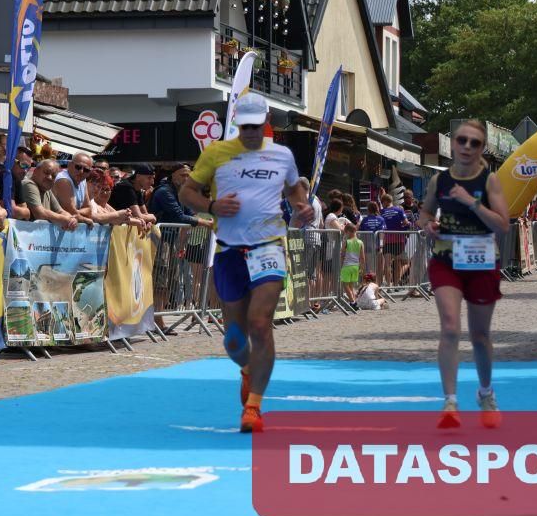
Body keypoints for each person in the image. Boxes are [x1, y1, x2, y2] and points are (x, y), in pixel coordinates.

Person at [178, 92, 312, 433]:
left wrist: (302, 207)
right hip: (228, 251)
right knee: (235, 340)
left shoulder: (282, 155)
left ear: (267, 122)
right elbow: (186, 193)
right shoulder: (216, 153)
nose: (251, 132)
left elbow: (295, 190)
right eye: (246, 126)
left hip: (268, 247)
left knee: (260, 323)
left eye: (257, 126)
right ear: (238, 124)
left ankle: (253, 407)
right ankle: (248, 370)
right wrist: (212, 206)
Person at [418, 119, 510, 429]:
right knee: (450, 327)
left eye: (475, 143)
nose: (467, 147)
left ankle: (486, 393)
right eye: (462, 140)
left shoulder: (489, 180)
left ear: (482, 148)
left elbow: (503, 225)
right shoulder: (439, 180)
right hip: (446, 260)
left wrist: (472, 203)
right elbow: (424, 212)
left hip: (482, 262)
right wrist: (428, 225)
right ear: (453, 144)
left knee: (480, 336)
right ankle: (450, 401)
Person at [21, 159, 79, 230]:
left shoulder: (47, 190)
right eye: (46, 173)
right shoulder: (28, 184)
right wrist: (65, 219)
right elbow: (40, 213)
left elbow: (60, 211)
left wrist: (71, 219)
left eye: (54, 176)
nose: (50, 177)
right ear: (35, 171)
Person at [109, 163, 157, 228]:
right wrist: (152, 217)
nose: (152, 182)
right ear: (138, 177)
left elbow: (144, 213)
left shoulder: (137, 188)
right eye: (149, 178)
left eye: (153, 178)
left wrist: (148, 221)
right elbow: (139, 216)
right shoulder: (126, 187)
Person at [54, 152, 95, 225]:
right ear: (69, 165)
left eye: (86, 170)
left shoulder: (82, 181)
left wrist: (77, 212)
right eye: (78, 167)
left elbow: (89, 209)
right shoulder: (64, 180)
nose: (81, 171)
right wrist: (85, 219)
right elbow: (70, 211)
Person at [379, 193, 410, 286]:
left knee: (387, 264)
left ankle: (388, 285)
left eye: (382, 202)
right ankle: (396, 285)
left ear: (385, 201)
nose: (382, 204)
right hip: (399, 239)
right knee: (397, 263)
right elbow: (406, 222)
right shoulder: (399, 210)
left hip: (387, 240)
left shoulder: (382, 212)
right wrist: (400, 226)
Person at [0, 146, 34, 220]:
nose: (25, 171)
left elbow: (24, 210)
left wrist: (25, 212)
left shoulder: (17, 179)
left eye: (28, 168)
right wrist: (26, 212)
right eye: (23, 165)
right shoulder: (3, 175)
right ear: (12, 161)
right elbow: (12, 211)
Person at [340, 223, 365, 308]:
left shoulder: (346, 242)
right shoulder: (360, 242)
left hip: (347, 266)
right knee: (351, 285)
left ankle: (352, 301)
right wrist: (361, 268)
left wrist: (341, 264)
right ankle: (354, 302)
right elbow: (362, 257)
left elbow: (342, 254)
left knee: (345, 285)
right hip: (356, 266)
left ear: (348, 232)